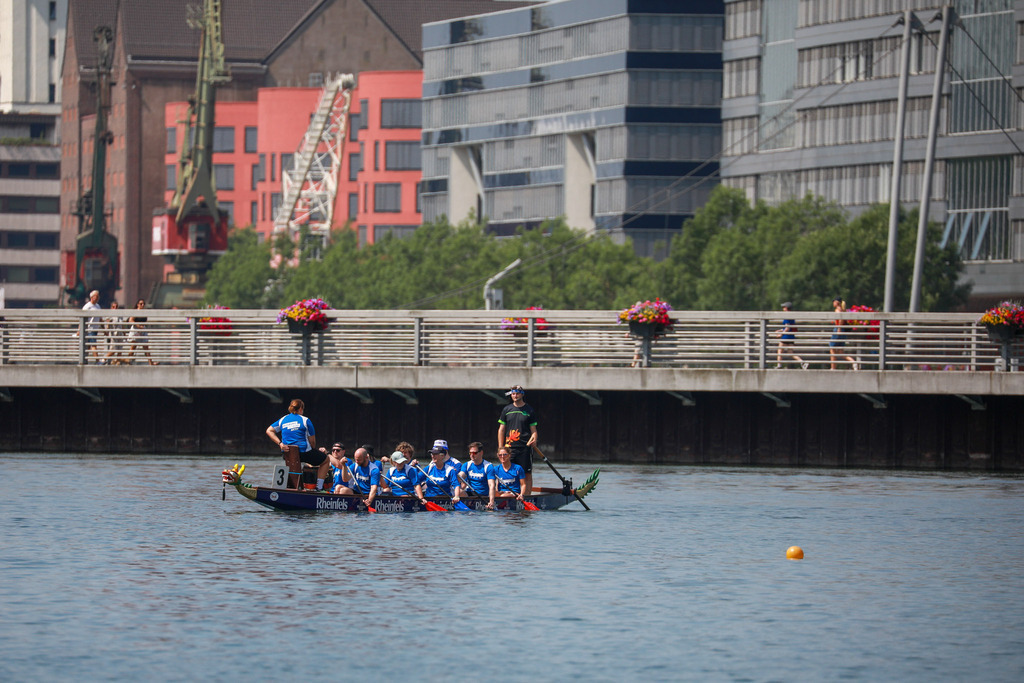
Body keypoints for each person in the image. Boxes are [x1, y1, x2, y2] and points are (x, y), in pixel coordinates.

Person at [265, 398, 323, 490]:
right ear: (300, 409)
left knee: (299, 462)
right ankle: (319, 488)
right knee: (326, 460)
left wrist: (280, 444)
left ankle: (295, 485)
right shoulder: (305, 420)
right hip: (304, 453)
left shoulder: (283, 419)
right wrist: (313, 450)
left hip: (287, 454)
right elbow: (312, 443)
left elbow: (269, 430)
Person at [497, 385, 537, 495]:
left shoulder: (529, 410)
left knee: (526, 473)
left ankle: (527, 496)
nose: (515, 396)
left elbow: (534, 431)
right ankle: (506, 494)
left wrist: (534, 440)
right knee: (506, 471)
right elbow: (501, 429)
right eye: (513, 394)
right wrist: (501, 447)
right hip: (509, 448)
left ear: (522, 394)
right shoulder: (507, 410)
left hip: (525, 448)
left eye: (517, 393)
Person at [458, 441, 495, 510]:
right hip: (469, 493)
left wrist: (491, 501)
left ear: (481, 453)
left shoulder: (488, 466)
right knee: (459, 491)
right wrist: (454, 475)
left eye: (474, 453)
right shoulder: (467, 465)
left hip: (483, 495)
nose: (472, 455)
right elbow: (460, 476)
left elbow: (491, 485)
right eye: (470, 453)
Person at [773, 301, 808, 369]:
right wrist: (780, 330)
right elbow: (789, 327)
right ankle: (802, 362)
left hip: (786, 336)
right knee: (790, 353)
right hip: (791, 336)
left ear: (786, 308)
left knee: (780, 350)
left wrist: (780, 334)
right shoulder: (792, 316)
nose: (783, 309)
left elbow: (787, 328)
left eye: (783, 307)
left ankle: (779, 365)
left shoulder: (786, 316)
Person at [830, 297, 859, 371]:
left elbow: (840, 319)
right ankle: (853, 362)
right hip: (843, 330)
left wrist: (839, 328)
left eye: (834, 301)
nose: (833, 303)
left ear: (837, 302)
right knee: (840, 352)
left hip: (838, 329)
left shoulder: (838, 310)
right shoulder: (843, 310)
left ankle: (833, 368)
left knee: (832, 349)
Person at [126, 298, 158, 365]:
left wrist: (142, 327)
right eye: (141, 304)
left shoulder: (144, 312)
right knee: (133, 346)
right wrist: (138, 326)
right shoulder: (136, 312)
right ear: (138, 304)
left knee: (146, 347)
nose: (142, 305)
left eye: (143, 304)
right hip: (136, 330)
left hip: (142, 330)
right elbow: (130, 320)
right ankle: (128, 361)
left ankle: (151, 362)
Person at [102, 300, 126, 365]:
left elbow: (122, 325)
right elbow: (107, 325)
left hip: (120, 334)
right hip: (114, 334)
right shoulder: (109, 315)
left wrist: (124, 333)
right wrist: (108, 326)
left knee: (120, 350)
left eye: (116, 307)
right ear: (111, 307)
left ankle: (117, 363)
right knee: (113, 349)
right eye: (113, 307)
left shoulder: (120, 315)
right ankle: (103, 359)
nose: (115, 308)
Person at [81, 289, 102, 363]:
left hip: (95, 329)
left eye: (98, 296)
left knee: (88, 346)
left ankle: (84, 361)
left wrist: (104, 328)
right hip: (89, 328)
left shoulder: (98, 306)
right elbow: (81, 318)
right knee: (93, 345)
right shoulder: (87, 306)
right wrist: (79, 330)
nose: (98, 297)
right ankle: (97, 361)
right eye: (96, 296)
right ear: (92, 297)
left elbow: (100, 318)